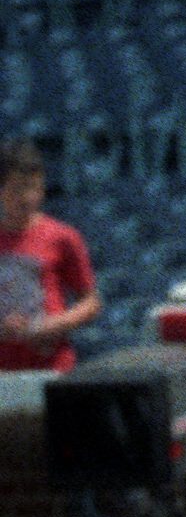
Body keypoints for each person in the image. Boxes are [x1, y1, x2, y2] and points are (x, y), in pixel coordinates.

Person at [0, 140, 100, 373]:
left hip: (51, 365)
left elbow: (91, 302)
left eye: (34, 188)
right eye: (17, 189)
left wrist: (52, 325)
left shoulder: (62, 237)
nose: (27, 197)